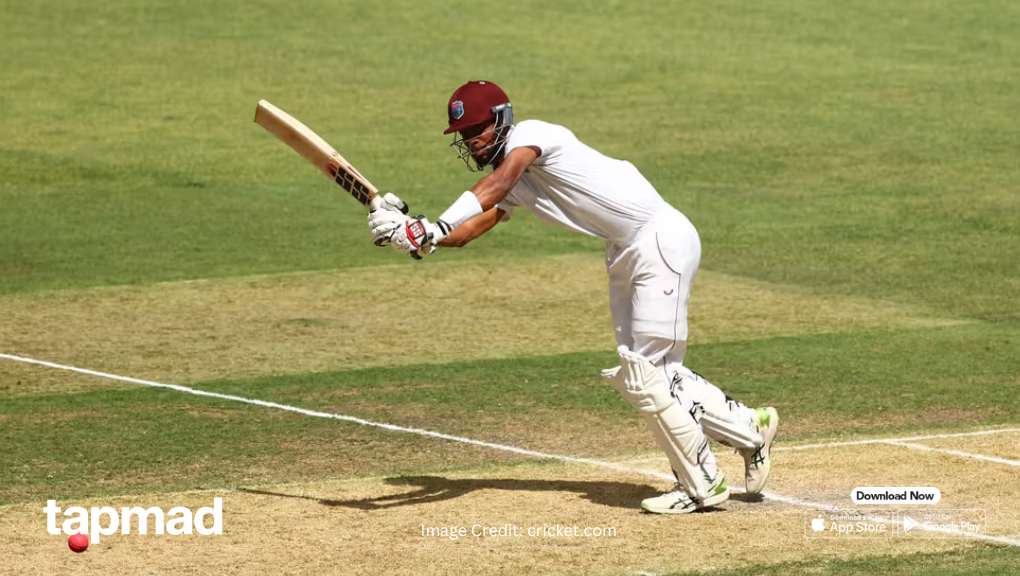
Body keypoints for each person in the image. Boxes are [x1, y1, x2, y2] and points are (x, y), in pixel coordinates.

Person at [366, 80, 779, 514]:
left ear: (502, 120)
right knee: (643, 372)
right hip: (623, 250)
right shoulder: (514, 181)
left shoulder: (533, 135)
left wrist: (433, 228)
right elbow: (468, 231)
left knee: (648, 372)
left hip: (659, 239)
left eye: (476, 131)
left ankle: (702, 482)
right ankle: (751, 428)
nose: (471, 142)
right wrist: (414, 233)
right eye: (464, 137)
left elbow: (498, 182)